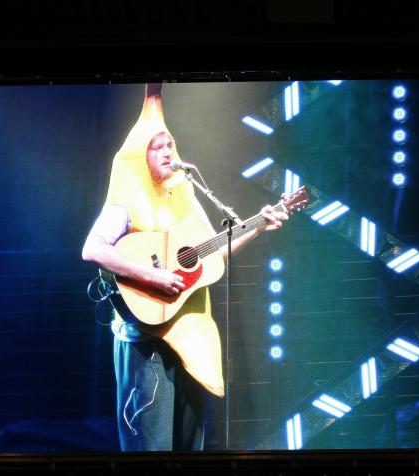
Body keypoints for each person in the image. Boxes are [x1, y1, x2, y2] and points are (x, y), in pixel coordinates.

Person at [82, 83, 287, 451]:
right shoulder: (124, 203)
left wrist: (258, 224)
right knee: (152, 443)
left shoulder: (184, 198)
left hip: (191, 337)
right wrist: (153, 276)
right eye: (156, 146)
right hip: (149, 342)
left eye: (169, 145)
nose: (166, 151)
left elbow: (210, 257)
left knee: (189, 445)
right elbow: (92, 249)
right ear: (138, 158)